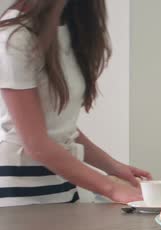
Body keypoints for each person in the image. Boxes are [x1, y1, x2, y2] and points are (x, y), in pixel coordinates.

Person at [0, 0, 151, 208]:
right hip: (18, 189)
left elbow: (59, 126)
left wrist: (114, 167)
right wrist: (112, 188)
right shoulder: (15, 36)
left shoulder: (69, 27)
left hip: (63, 181)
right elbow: (36, 144)